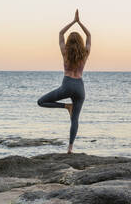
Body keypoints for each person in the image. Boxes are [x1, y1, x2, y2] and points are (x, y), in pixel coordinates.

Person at [37, 9, 91, 154]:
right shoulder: (85, 54)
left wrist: (73, 21)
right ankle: (70, 148)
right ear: (80, 42)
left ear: (68, 42)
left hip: (67, 85)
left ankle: (66, 106)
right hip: (80, 87)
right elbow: (89, 35)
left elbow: (61, 33)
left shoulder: (65, 52)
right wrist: (80, 23)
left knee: (41, 102)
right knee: (75, 120)